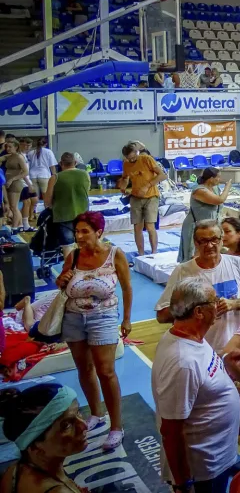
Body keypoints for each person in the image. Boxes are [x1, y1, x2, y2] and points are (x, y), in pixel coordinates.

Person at [153, 279, 240, 493]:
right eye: (214, 300)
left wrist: (224, 359)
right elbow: (171, 431)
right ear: (199, 312)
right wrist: (183, 483)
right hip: (203, 472)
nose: (219, 302)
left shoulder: (190, 338)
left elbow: (201, 377)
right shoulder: (182, 362)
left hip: (217, 456)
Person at [54, 211, 131, 451]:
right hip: (73, 317)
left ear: (99, 232)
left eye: (85, 231)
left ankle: (116, 427)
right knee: (84, 369)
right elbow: (62, 285)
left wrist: (127, 319)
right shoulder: (73, 255)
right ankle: (96, 413)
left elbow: (127, 288)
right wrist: (62, 280)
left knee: (106, 372)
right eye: (77, 231)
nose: (79, 236)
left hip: (104, 316)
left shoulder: (115, 255)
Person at [156, 220, 240, 352]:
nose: (209, 245)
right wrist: (196, 311)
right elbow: (162, 315)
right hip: (198, 350)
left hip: (234, 350)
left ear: (221, 240)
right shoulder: (183, 272)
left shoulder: (237, 264)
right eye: (203, 241)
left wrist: (234, 304)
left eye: (214, 239)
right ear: (195, 243)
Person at [0, 383, 90, 493]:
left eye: (78, 412)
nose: (84, 425)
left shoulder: (13, 471)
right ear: (35, 446)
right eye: (66, 425)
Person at [118, 142, 166, 256]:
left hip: (151, 196)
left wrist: (147, 186)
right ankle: (141, 254)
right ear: (126, 157)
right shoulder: (126, 164)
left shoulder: (146, 159)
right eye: (129, 159)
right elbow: (125, 178)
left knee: (150, 226)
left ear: (136, 153)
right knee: (137, 227)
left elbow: (163, 175)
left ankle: (154, 252)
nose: (132, 160)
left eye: (134, 157)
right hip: (135, 197)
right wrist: (123, 186)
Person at [178, 168, 232, 262]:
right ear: (211, 178)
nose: (219, 179)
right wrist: (227, 187)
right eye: (218, 177)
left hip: (211, 226)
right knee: (195, 253)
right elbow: (219, 200)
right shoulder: (199, 190)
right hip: (196, 225)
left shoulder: (215, 188)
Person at [44, 152, 90, 247]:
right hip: (83, 214)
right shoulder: (85, 174)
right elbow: (86, 192)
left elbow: (47, 201)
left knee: (68, 246)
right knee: (83, 244)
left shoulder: (55, 177)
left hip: (63, 215)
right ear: (75, 162)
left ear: (61, 163)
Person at [25, 137, 57, 223]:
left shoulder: (31, 152)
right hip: (44, 175)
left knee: (34, 197)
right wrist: (55, 175)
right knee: (46, 196)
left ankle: (31, 214)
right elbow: (52, 166)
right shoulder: (49, 152)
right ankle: (47, 213)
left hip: (32, 175)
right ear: (46, 144)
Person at [1, 140, 29, 232]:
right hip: (8, 182)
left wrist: (13, 179)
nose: (7, 148)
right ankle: (20, 225)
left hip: (15, 183)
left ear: (16, 147)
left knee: (14, 207)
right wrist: (2, 147)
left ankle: (14, 227)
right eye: (7, 147)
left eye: (10, 147)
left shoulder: (19, 157)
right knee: (10, 206)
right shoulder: (9, 156)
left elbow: (26, 172)